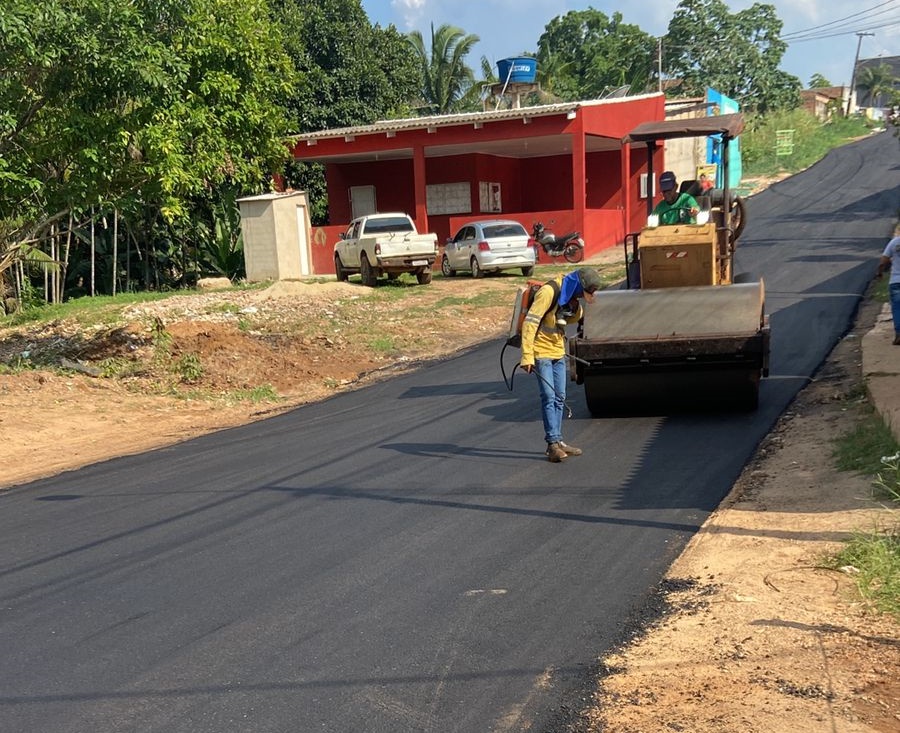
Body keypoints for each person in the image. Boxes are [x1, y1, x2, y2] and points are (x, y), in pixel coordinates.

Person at [520, 267, 604, 462]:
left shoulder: (570, 296)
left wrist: (575, 307)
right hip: (541, 352)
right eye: (582, 294)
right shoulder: (549, 292)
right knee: (549, 397)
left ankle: (559, 441)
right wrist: (527, 356)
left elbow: (572, 318)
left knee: (560, 397)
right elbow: (530, 323)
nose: (582, 297)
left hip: (558, 350)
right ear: (577, 285)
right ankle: (552, 444)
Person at [877, 232, 900, 345]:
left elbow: (883, 261)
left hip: (896, 281)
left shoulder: (894, 242)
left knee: (897, 308)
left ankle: (899, 334)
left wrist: (880, 273)